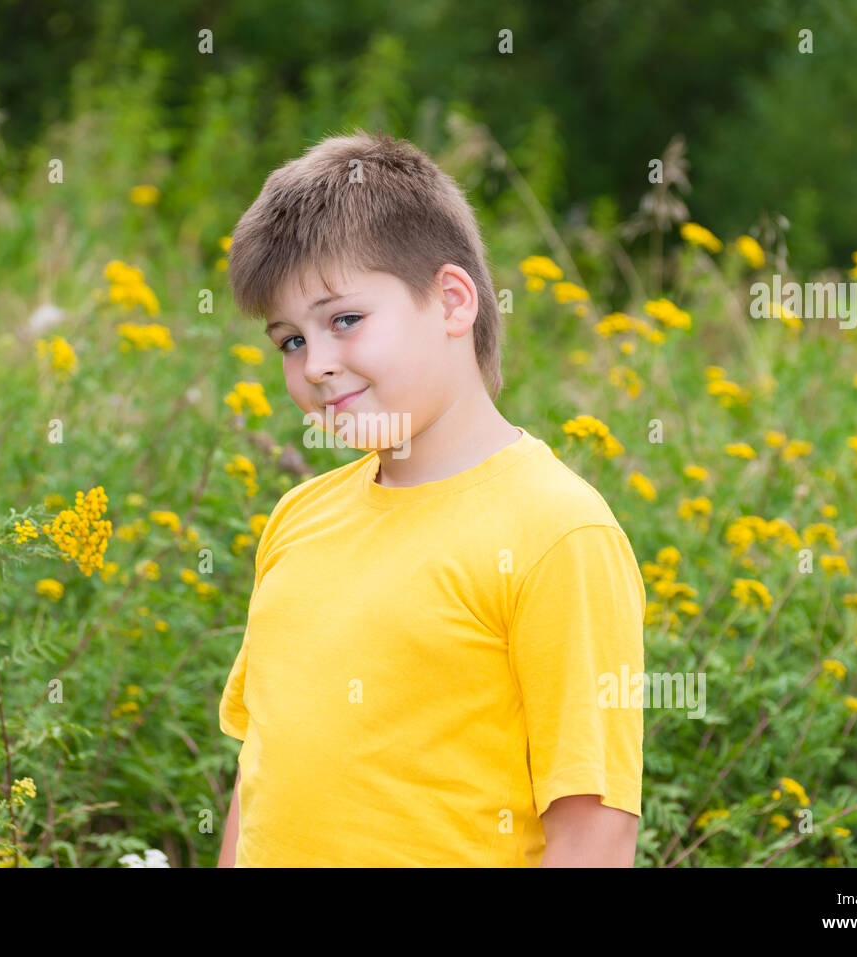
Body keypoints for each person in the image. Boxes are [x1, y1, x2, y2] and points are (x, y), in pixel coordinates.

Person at [216, 130, 645, 867]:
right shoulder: (298, 520)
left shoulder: (558, 531)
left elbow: (594, 835)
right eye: (289, 340)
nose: (316, 364)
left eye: (344, 319)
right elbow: (259, 780)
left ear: (452, 301)